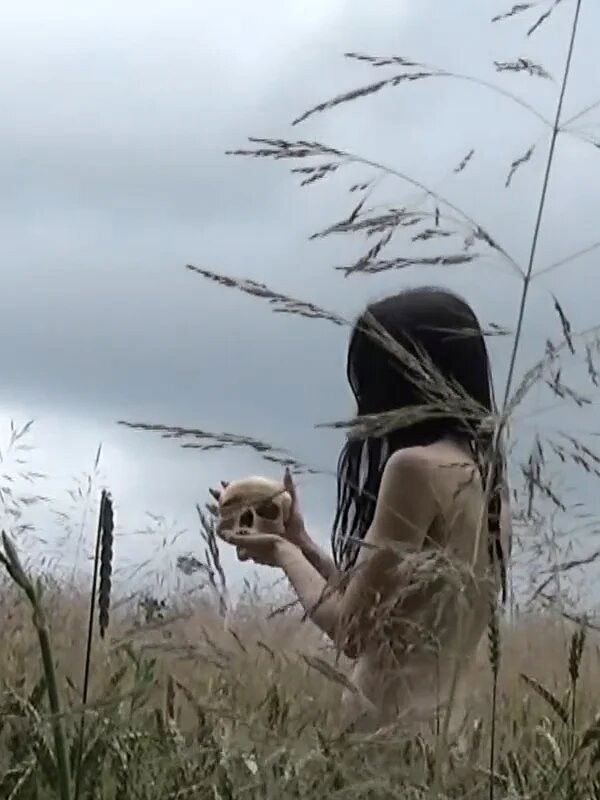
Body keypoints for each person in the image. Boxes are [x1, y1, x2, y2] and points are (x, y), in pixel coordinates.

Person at [212, 286, 510, 736]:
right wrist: (302, 543)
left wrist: (279, 552)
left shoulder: (413, 468)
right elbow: (393, 606)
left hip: (388, 737)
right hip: (449, 735)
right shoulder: (485, 479)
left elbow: (351, 631)